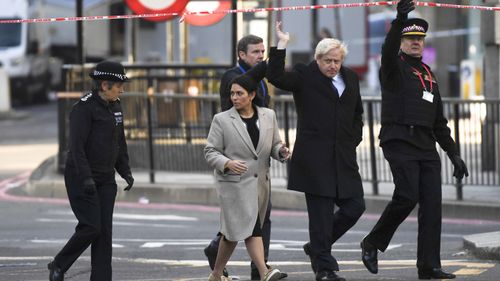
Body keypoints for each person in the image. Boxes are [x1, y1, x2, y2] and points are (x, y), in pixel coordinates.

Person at [359, 1, 469, 279]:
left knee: (432, 206)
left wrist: (453, 153)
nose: (415, 43)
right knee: (407, 195)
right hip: (399, 141)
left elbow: (439, 120)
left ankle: (429, 265)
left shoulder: (429, 75)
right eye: (410, 39)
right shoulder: (393, 67)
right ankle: (372, 242)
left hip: (425, 145)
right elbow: (387, 48)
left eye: (419, 39)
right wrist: (399, 20)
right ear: (402, 42)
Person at [266, 22, 365, 281]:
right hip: (315, 159)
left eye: (337, 61)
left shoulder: (351, 78)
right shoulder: (304, 75)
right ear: (317, 59)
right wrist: (281, 45)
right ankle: (325, 268)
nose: (333, 66)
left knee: (355, 206)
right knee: (320, 217)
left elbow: (357, 114)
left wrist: (354, 138)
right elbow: (276, 77)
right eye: (328, 61)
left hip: (343, 157)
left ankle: (316, 248)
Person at [207, 34, 287, 280]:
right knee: (253, 227)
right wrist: (279, 49)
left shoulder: (264, 108)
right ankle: (263, 270)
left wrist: (279, 150)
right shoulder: (235, 78)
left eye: (263, 51)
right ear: (241, 54)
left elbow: (271, 139)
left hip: (258, 174)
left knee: (238, 230)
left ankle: (216, 270)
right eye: (256, 52)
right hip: (236, 173)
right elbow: (210, 150)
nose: (260, 56)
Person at [48, 61, 134, 281]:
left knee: (104, 234)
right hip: (81, 178)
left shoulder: (116, 106)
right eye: (118, 85)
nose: (122, 89)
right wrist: (86, 179)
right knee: (91, 227)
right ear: (104, 85)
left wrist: (125, 171)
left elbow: (119, 143)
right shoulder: (83, 109)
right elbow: (76, 149)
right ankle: (59, 264)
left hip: (106, 179)